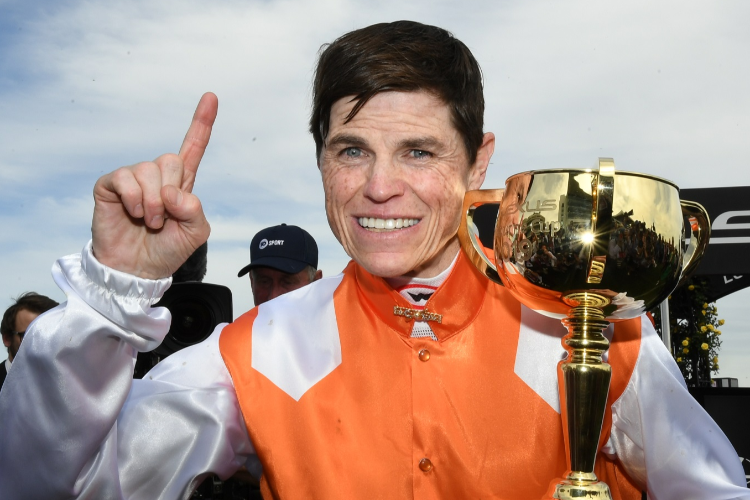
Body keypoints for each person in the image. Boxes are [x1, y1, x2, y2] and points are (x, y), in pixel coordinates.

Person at [0, 20, 747, 500]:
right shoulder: (253, 350)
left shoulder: (596, 328)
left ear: (478, 158)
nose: (379, 187)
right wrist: (112, 295)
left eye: (418, 151)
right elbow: (57, 488)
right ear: (321, 158)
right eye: (350, 150)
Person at [237, 223, 322, 306]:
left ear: (316, 282)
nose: (273, 297)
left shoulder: (332, 319)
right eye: (264, 282)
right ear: (252, 281)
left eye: (287, 282)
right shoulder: (239, 321)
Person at [0, 292, 59, 391]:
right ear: (7, 339)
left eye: (49, 335)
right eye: (29, 336)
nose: (40, 343)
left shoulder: (70, 388)